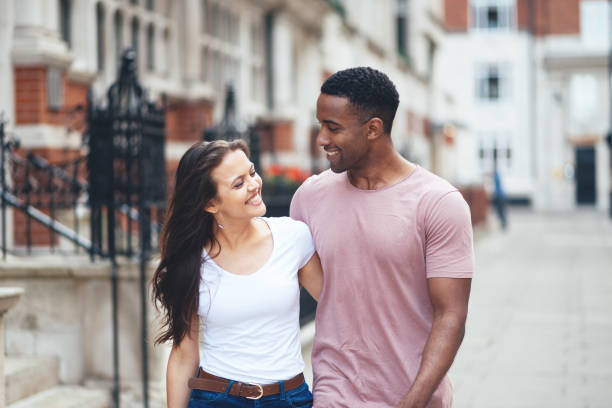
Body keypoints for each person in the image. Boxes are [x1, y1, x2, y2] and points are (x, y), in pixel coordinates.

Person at [290, 67, 474, 408]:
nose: (321, 139)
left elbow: (451, 316)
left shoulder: (438, 203)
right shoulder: (309, 197)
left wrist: (414, 401)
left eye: (333, 127)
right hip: (335, 391)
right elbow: (291, 284)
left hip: (415, 394)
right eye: (320, 125)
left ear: (373, 128)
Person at [152, 139, 322, 408]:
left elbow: (337, 310)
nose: (254, 185)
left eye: (252, 172)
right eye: (238, 183)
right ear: (210, 204)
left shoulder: (294, 237)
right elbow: (184, 355)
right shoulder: (190, 263)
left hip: (289, 399)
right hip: (216, 398)